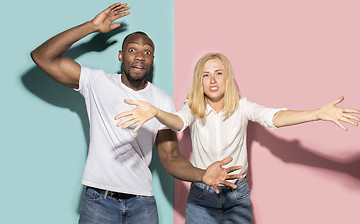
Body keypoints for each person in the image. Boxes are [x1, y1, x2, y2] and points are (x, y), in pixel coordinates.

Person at [30, 4, 243, 224]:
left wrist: (202, 175)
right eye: (133, 50)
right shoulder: (96, 82)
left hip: (143, 205)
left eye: (147, 52)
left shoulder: (161, 100)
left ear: (152, 60)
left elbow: (170, 158)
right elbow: (42, 56)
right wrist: (92, 26)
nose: (140, 56)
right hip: (98, 201)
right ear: (121, 55)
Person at [115, 52, 360, 224]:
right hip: (202, 195)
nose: (212, 80)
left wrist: (317, 113)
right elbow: (178, 122)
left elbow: (274, 117)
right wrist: (156, 112)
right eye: (206, 75)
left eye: (218, 73)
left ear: (227, 78)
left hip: (237, 195)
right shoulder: (193, 107)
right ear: (199, 81)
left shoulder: (243, 107)